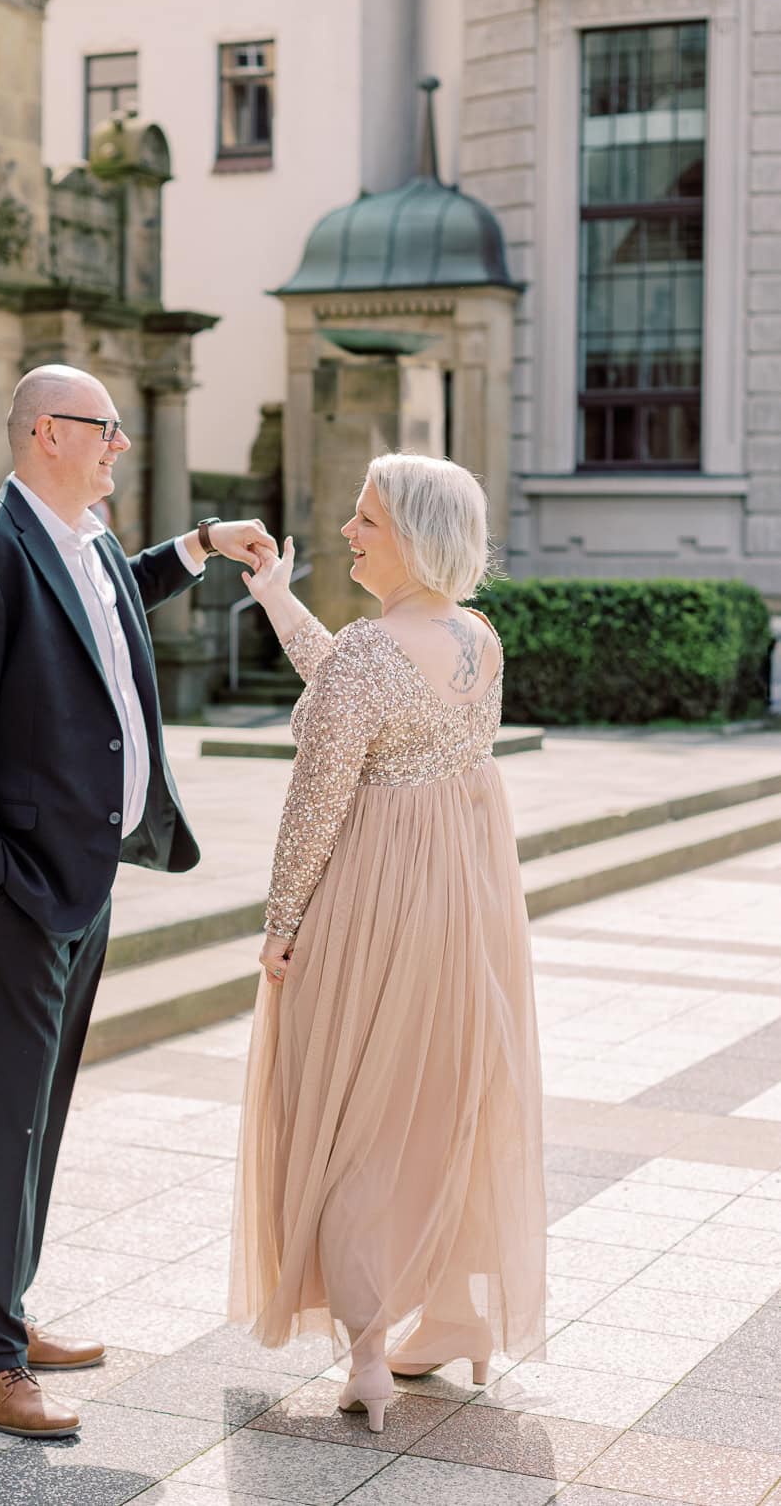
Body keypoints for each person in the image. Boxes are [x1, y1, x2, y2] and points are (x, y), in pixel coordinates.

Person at [0, 364, 276, 1440]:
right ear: (49, 433)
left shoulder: (85, 545)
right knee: (1, 1109)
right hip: (13, 885)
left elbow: (107, 603)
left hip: (82, 876)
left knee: (33, 1110)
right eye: (106, 430)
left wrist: (197, 548)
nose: (121, 446)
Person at [229, 451, 546, 1433]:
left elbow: (315, 799)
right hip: (461, 895)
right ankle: (456, 1317)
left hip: (374, 896)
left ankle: (367, 1352)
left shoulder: (374, 652)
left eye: (365, 519)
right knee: (438, 1099)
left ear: (410, 533)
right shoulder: (476, 639)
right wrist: (279, 600)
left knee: (351, 1110)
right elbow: (353, 681)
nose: (347, 533)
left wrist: (282, 926)